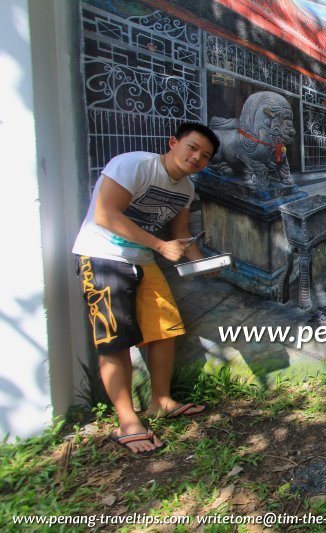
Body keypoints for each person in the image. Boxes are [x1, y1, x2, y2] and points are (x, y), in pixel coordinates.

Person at [72, 122, 221, 454]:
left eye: (205, 156)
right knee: (114, 339)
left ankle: (161, 401)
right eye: (193, 148)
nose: (197, 158)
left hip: (142, 259)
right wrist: (159, 244)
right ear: (173, 143)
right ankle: (127, 422)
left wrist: (203, 264)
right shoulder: (134, 164)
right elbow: (105, 214)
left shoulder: (185, 190)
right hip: (103, 255)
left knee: (166, 329)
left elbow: (180, 236)